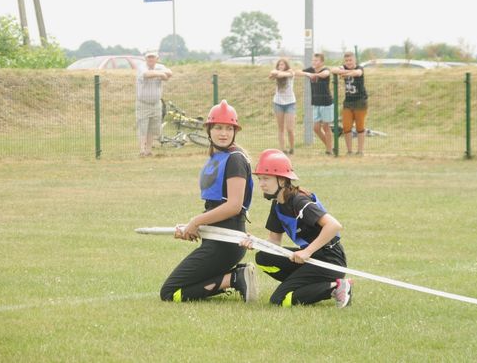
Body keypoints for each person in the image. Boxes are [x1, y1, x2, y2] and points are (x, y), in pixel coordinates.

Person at [160, 100, 258, 303]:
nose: (223, 133)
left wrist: (196, 221)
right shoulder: (218, 157)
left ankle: (234, 278)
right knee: (179, 289)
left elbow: (234, 206)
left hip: (226, 242)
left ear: (235, 131)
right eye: (218, 128)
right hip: (213, 238)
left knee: (170, 293)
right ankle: (236, 276)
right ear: (209, 130)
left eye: (228, 129)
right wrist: (193, 227)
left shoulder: (235, 160)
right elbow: (213, 206)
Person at [241, 149, 352, 308]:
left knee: (279, 300)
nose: (261, 184)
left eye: (266, 178)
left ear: (281, 180)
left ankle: (336, 287)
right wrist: (255, 242)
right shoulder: (277, 204)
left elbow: (333, 226)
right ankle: (302, 284)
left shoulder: (299, 201)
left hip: (329, 259)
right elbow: (274, 241)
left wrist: (307, 251)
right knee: (263, 257)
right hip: (311, 257)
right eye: (259, 179)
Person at [136, 51, 172, 157]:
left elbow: (170, 73)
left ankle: (148, 150)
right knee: (143, 127)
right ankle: (142, 150)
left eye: (153, 57)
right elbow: (146, 74)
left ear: (157, 58)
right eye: (149, 57)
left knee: (153, 127)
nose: (151, 59)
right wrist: (161, 74)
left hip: (156, 103)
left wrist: (163, 74)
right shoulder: (142, 67)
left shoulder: (160, 67)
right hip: (143, 103)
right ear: (145, 59)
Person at [331, 52, 368, 156]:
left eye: (350, 60)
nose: (348, 62)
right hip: (348, 102)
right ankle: (349, 151)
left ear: (354, 60)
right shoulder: (343, 67)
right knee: (346, 126)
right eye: (346, 61)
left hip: (360, 101)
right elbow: (333, 70)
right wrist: (343, 71)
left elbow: (357, 73)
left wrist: (344, 73)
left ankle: (360, 151)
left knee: (360, 127)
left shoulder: (360, 68)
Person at [296, 53, 334, 155]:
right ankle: (330, 146)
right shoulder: (311, 70)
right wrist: (308, 74)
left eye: (316, 60)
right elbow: (297, 72)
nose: (314, 62)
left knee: (326, 127)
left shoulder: (325, 69)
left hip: (326, 102)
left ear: (322, 62)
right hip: (316, 102)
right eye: (313, 60)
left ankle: (329, 150)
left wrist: (314, 75)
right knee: (316, 128)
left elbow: (325, 74)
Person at [269, 58, 296, 155]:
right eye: (279, 65)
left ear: (286, 66)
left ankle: (292, 148)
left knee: (290, 128)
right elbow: (271, 73)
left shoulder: (290, 73)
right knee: (281, 128)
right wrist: (276, 72)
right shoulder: (276, 73)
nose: (281, 66)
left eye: (283, 65)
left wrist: (279, 73)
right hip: (278, 103)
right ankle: (282, 149)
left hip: (290, 103)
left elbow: (286, 74)